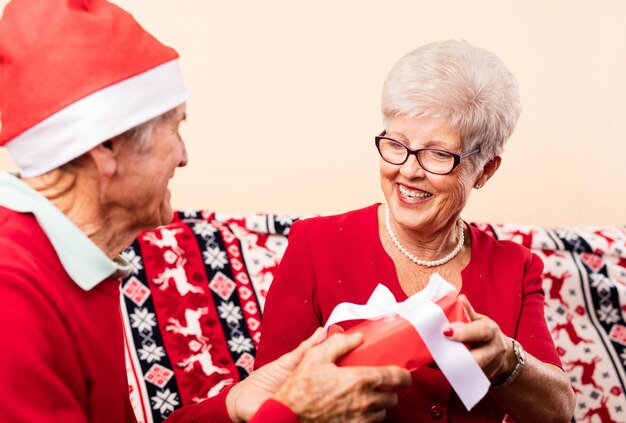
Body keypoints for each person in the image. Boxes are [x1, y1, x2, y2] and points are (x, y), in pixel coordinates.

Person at [0, 0, 410, 422]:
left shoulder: (77, 262)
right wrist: (293, 415)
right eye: (175, 128)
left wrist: (236, 404)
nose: (184, 157)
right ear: (105, 148)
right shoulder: (11, 295)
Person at [255, 40, 576, 422]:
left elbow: (558, 413)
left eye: (438, 154)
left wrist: (507, 360)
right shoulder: (315, 243)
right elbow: (264, 399)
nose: (408, 170)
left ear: (486, 170)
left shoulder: (515, 266)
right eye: (396, 144)